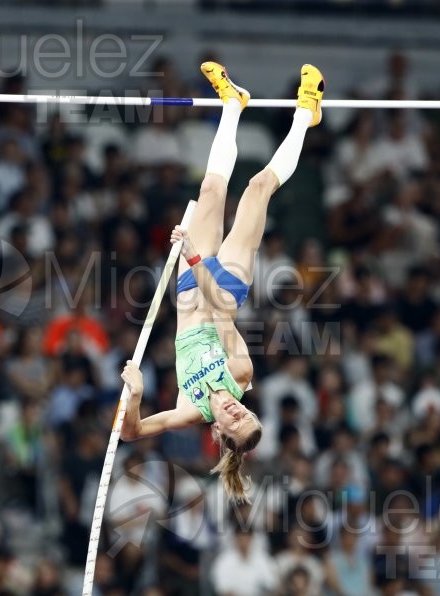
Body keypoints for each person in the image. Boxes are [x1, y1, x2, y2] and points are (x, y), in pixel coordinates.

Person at [119, 61, 325, 503]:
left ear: (218, 433)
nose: (237, 411)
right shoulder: (240, 374)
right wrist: (195, 256)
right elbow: (219, 311)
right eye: (246, 414)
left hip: (187, 292)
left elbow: (131, 432)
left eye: (235, 422)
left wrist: (135, 394)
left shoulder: (188, 410)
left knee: (211, 191)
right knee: (257, 187)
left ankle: (232, 104)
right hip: (222, 289)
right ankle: (306, 115)